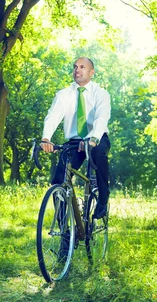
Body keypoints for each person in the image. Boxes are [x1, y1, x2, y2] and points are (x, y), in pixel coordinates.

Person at [41, 56, 111, 219]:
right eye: (75, 67)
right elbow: (53, 116)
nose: (77, 70)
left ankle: (102, 200)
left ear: (91, 72)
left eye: (82, 67)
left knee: (98, 153)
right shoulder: (63, 94)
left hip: (97, 138)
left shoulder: (101, 94)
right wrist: (46, 138)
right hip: (74, 143)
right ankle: (65, 233)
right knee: (59, 180)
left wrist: (93, 139)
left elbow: (102, 118)